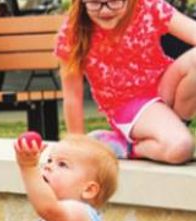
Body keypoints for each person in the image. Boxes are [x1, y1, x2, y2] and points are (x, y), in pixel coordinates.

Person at [56, 0, 196, 164]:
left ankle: (174, 125)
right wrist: (78, 148)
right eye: (95, 3)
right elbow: (72, 97)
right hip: (128, 105)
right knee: (180, 148)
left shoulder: (148, 6)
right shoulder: (72, 32)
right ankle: (125, 146)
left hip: (163, 87)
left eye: (113, 2)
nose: (105, 10)